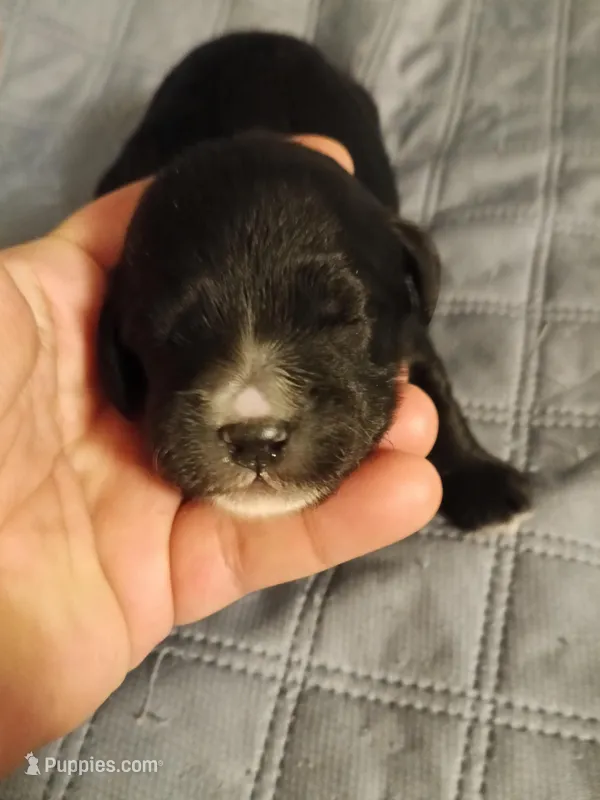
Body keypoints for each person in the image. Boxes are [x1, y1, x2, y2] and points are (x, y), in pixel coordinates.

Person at [0, 135, 441, 776]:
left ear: (412, 290)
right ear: (114, 339)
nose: (254, 415)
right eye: (180, 332)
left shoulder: (387, 266)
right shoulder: (127, 268)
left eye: (335, 317)